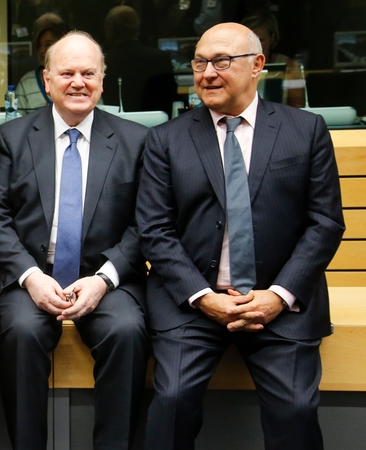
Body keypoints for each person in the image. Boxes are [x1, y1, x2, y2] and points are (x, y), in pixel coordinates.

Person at [137, 23, 345, 450]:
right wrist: (203, 297)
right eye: (199, 62)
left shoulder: (305, 130)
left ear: (258, 65)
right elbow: (154, 230)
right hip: (194, 304)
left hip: (281, 304)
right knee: (171, 400)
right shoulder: (165, 139)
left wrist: (279, 295)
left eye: (221, 61)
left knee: (296, 410)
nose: (207, 73)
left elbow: (325, 223)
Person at [0, 31, 150, 449]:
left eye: (88, 73)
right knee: (19, 331)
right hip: (32, 277)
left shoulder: (136, 140)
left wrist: (105, 279)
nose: (78, 81)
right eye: (67, 72)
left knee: (128, 332)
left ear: (103, 81)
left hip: (106, 278)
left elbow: (147, 225)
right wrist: (31, 277)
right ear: (47, 79)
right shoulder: (13, 138)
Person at [102, 5, 177, 115]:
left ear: (109, 29)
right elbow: (170, 99)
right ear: (137, 28)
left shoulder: (104, 61)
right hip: (158, 126)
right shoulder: (160, 58)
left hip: (116, 128)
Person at [241, 12, 306, 108]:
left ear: (272, 39)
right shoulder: (234, 65)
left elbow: (298, 107)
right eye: (249, 40)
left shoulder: (291, 67)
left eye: (260, 40)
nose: (254, 46)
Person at [15, 13, 69, 115]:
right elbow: (17, 123)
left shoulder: (79, 79)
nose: (42, 50)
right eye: (39, 45)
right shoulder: (26, 83)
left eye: (48, 44)